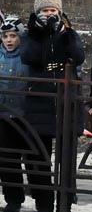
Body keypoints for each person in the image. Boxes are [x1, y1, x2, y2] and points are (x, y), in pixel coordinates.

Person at [20, 0, 85, 212]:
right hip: (40, 100)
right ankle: (44, 202)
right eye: (45, 11)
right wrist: (39, 33)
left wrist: (63, 34)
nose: (49, 14)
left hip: (66, 102)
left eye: (53, 10)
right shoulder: (30, 35)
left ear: (60, 11)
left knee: (66, 160)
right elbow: (29, 56)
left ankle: (65, 202)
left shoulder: (69, 32)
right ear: (38, 13)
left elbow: (78, 56)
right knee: (37, 157)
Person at [0, 16, 29, 212]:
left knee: (29, 158)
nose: (9, 40)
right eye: (5, 36)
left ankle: (41, 195)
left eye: (13, 36)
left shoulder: (27, 57)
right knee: (7, 159)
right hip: (3, 116)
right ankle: (13, 200)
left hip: (24, 115)